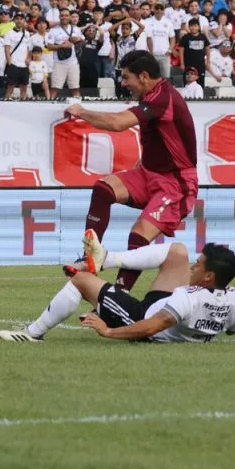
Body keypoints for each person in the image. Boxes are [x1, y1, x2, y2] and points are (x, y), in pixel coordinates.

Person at [64, 50, 198, 291]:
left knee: (139, 233)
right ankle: (90, 257)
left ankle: (119, 294)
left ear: (144, 76)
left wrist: (81, 111)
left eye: (127, 78)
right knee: (103, 189)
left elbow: (117, 123)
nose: (124, 83)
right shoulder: (154, 96)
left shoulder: (162, 98)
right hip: (149, 173)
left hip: (176, 183)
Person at [0, 231, 235, 344]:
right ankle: (106, 258)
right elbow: (232, 330)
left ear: (208, 276)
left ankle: (33, 333)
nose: (192, 267)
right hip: (167, 307)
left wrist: (108, 332)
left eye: (198, 265)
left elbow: (151, 327)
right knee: (177, 252)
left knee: (81, 281)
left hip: (140, 317)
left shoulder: (186, 299)